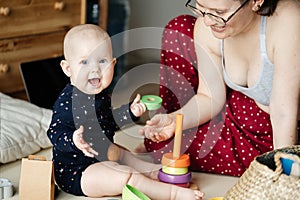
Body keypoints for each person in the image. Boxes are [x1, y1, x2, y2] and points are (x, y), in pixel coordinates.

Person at [139, 0, 300, 177]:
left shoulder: (287, 20)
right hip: (236, 115)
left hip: (281, 130)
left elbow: (284, 113)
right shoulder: (206, 25)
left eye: (219, 12)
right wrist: (175, 121)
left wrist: (284, 173)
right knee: (162, 145)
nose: (208, 21)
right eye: (201, 7)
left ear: (256, 1)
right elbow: (209, 97)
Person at [47, 24, 203, 199]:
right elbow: (54, 132)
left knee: (121, 153)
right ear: (67, 68)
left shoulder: (100, 95)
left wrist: (130, 112)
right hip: (78, 171)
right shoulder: (68, 102)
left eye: (102, 61)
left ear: (113, 64)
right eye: (84, 62)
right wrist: (73, 140)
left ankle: (153, 173)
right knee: (125, 176)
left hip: (102, 153)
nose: (95, 69)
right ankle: (172, 194)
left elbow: (109, 121)